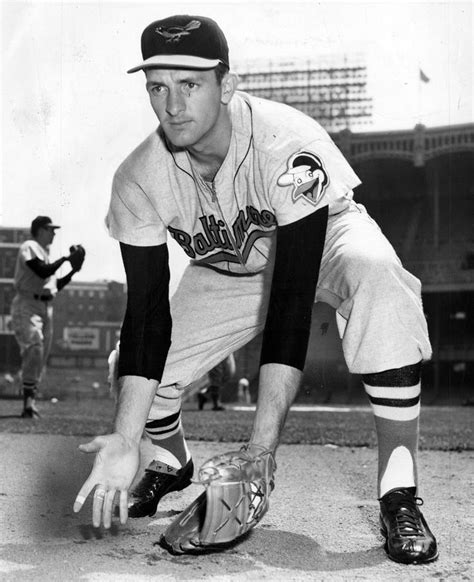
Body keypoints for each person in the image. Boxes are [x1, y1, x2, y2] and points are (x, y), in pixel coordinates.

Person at [73, 15, 438, 564]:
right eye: (157, 86)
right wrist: (126, 436)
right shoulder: (137, 177)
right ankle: (171, 463)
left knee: (378, 277)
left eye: (190, 84)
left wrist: (261, 451)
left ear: (227, 85)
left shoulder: (284, 141)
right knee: (133, 367)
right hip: (227, 269)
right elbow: (146, 314)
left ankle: (399, 491)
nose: (172, 105)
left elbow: (291, 305)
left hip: (324, 239)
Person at [10, 216, 85, 418]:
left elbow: (54, 285)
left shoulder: (45, 253)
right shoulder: (30, 245)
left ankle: (30, 404)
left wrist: (72, 272)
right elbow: (41, 271)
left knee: (40, 356)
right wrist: (66, 260)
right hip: (27, 304)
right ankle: (27, 404)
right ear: (40, 230)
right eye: (50, 229)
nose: (53, 233)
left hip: (45, 306)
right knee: (34, 347)